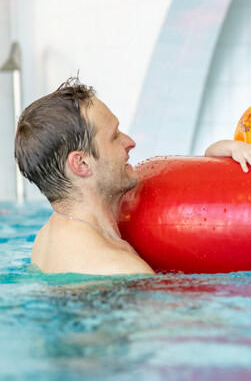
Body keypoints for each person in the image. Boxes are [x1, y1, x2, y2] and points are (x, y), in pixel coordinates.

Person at [14, 78, 154, 275]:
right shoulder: (122, 269)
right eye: (115, 136)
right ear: (81, 163)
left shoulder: (46, 238)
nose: (130, 142)